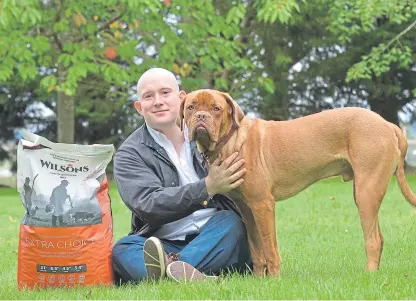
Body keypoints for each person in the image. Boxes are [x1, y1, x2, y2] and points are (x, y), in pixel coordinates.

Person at [112, 68, 251, 284]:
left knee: (231, 223)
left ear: (182, 99)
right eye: (149, 96)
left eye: (165, 93)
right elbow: (149, 205)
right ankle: (184, 272)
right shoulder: (130, 154)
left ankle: (167, 272)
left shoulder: (216, 137)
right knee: (123, 249)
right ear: (140, 107)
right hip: (162, 244)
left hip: (215, 235)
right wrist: (208, 187)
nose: (158, 101)